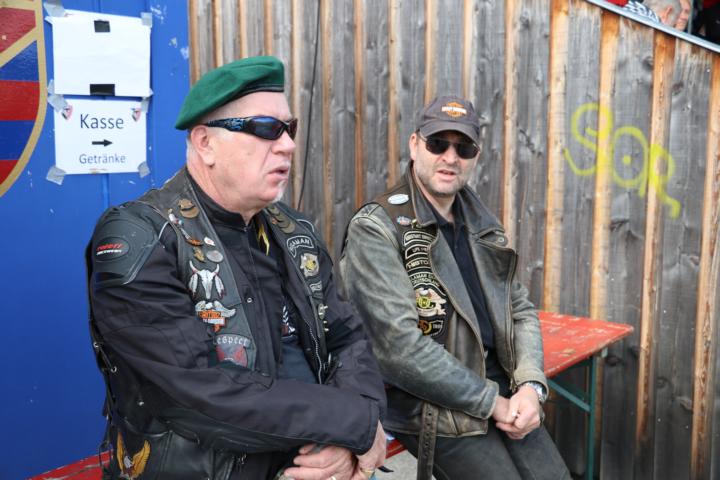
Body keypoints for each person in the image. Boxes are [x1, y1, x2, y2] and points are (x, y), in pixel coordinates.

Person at [86, 56, 386, 480]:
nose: (288, 145)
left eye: (290, 128)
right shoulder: (140, 237)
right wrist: (354, 424)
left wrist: (348, 439)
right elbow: (195, 392)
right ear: (205, 143)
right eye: (265, 128)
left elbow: (347, 337)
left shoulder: (295, 231)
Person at [339, 95, 570, 480]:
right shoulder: (377, 228)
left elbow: (519, 310)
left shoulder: (482, 223)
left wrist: (531, 386)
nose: (450, 157)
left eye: (464, 148)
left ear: (475, 156)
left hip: (500, 386)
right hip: (429, 403)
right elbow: (399, 349)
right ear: (415, 145)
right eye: (437, 144)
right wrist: (491, 402)